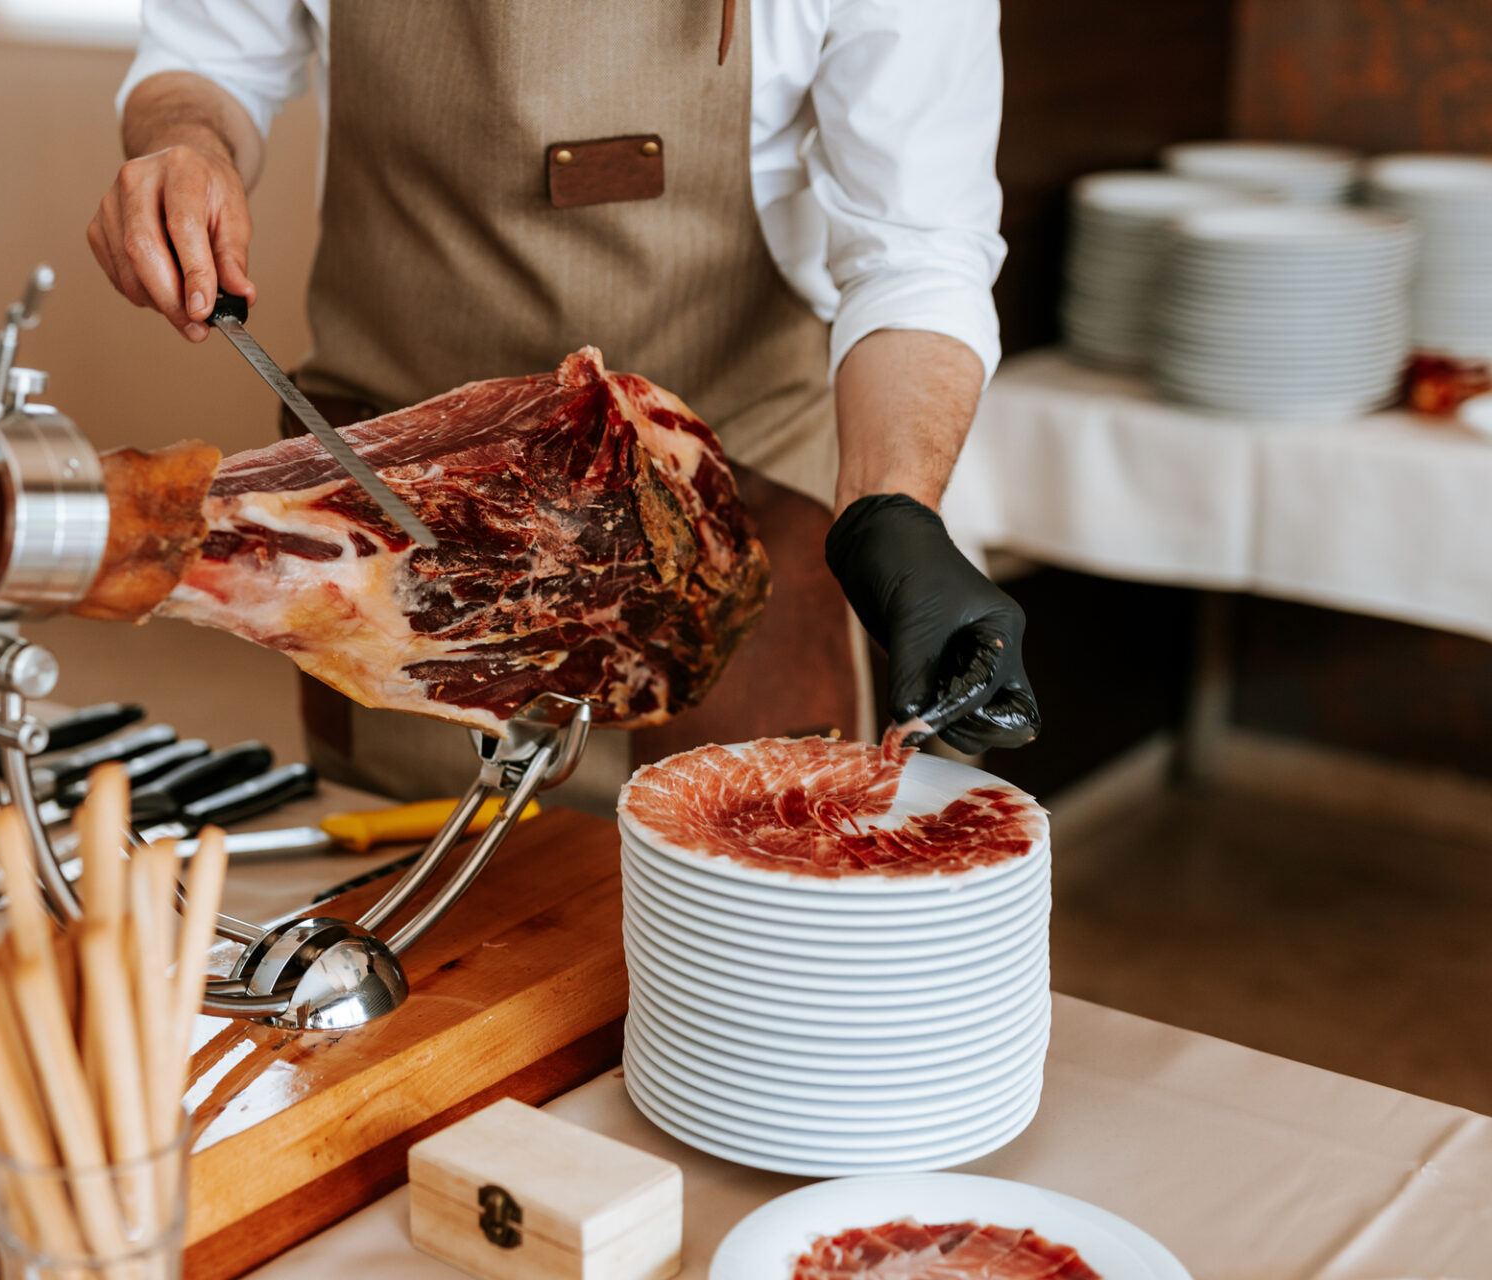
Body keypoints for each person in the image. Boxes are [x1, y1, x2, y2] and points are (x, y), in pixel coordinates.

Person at [89, 1, 1038, 807]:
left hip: (724, 514)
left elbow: (916, 247)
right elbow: (208, 56)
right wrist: (186, 144)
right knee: (430, 955)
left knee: (751, 948)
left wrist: (892, 510)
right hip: (394, 528)